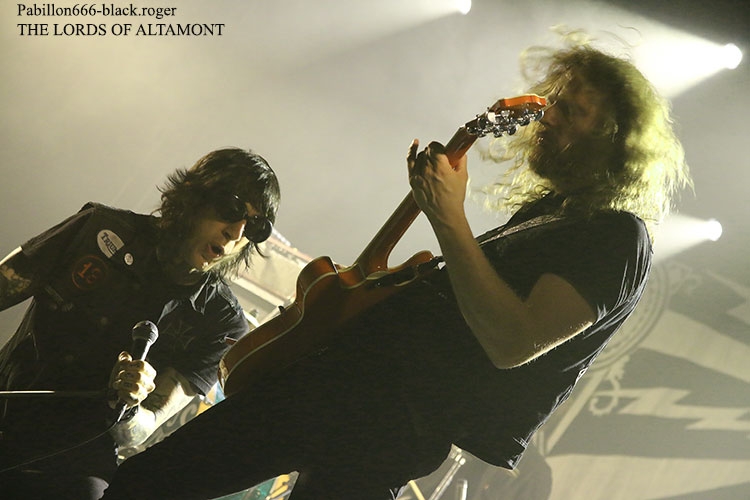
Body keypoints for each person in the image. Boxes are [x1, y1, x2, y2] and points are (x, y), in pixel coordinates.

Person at [102, 40, 691, 500]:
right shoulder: (546, 216)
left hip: (383, 422)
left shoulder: (616, 236)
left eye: (573, 110)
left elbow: (514, 341)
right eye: (554, 100)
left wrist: (449, 217)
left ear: (614, 139)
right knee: (141, 487)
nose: (548, 115)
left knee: (145, 487)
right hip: (338, 394)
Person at [0, 147, 281, 499]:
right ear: (194, 196)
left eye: (254, 226)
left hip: (71, 460)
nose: (236, 232)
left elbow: (142, 430)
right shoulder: (99, 228)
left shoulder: (220, 322)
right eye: (231, 208)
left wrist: (130, 405)